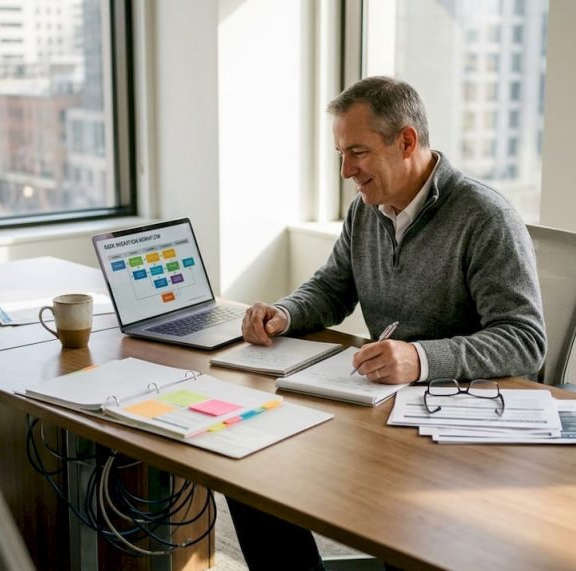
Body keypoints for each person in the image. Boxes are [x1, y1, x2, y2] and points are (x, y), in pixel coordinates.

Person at [229, 76, 546, 570]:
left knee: (404, 533)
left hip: (454, 430)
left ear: (406, 141)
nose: (345, 170)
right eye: (340, 153)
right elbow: (333, 287)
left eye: (357, 151)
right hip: (378, 409)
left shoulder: (485, 218)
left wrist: (420, 358)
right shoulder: (367, 210)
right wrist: (285, 312)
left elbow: (524, 340)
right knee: (253, 475)